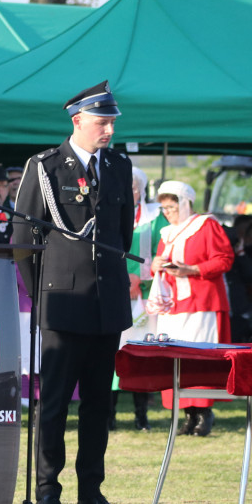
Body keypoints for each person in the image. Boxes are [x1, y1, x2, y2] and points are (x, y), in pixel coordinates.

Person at [12, 81, 134, 504]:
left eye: (112, 124)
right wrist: (43, 295)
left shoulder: (118, 165)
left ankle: (91, 492)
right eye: (101, 123)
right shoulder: (46, 167)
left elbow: (122, 232)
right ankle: (48, 494)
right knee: (56, 402)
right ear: (77, 120)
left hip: (107, 304)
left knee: (100, 403)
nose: (108, 132)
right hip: (62, 304)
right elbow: (23, 241)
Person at [149, 180, 233, 437]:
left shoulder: (206, 225)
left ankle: (204, 412)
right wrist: (157, 264)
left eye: (172, 206)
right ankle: (187, 413)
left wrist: (192, 270)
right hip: (173, 305)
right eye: (163, 208)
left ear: (185, 203)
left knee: (201, 359)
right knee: (177, 361)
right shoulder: (167, 232)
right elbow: (156, 267)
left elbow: (225, 259)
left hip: (201, 302)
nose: (167, 212)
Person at [110, 166, 161, 431]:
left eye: (133, 186)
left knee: (142, 353)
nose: (129, 191)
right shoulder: (106, 213)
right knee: (112, 352)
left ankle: (142, 416)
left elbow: (163, 250)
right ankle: (109, 416)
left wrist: (140, 278)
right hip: (112, 293)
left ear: (141, 189)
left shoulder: (155, 217)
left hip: (143, 296)